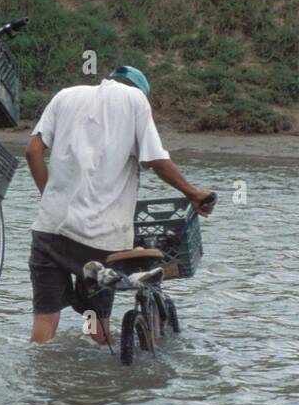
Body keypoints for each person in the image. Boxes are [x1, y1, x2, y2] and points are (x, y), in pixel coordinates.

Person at [23, 65, 215, 345]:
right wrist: (193, 193)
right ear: (141, 93)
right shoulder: (135, 101)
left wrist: (50, 195)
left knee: (46, 317)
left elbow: (32, 151)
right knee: (96, 322)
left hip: (49, 232)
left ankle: (41, 380)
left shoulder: (65, 96)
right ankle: (102, 380)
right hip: (97, 238)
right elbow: (155, 160)